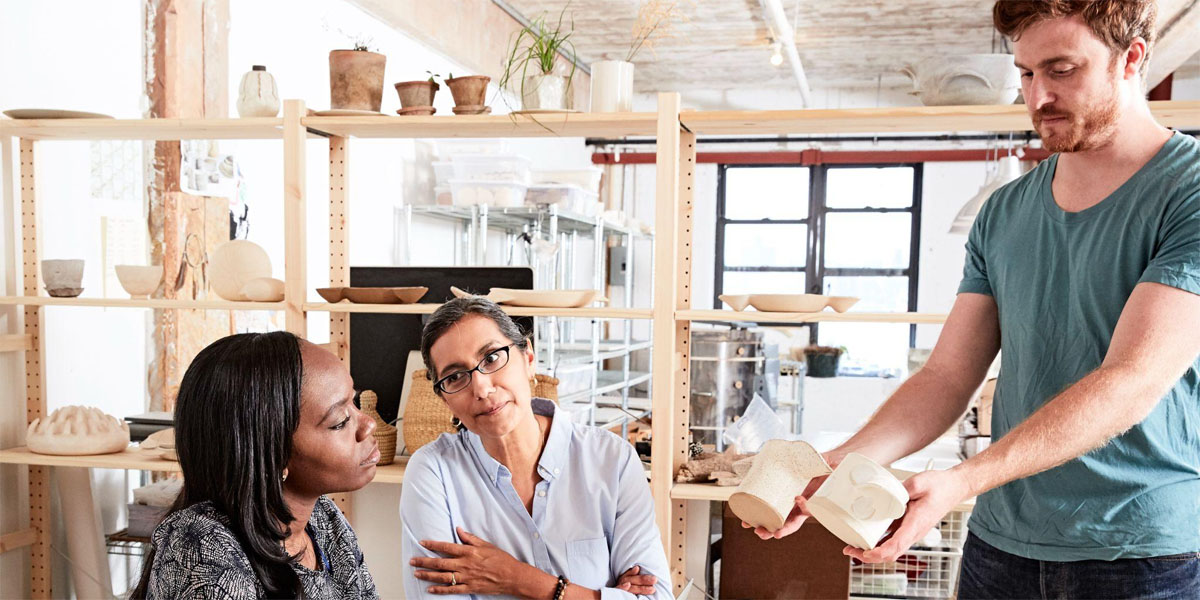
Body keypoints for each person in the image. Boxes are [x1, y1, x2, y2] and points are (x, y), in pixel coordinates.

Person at [747, 1, 1200, 598]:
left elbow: (1132, 378)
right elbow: (947, 375)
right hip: (1000, 548)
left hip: (1140, 554)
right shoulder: (1005, 212)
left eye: (1061, 70)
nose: (1037, 98)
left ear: (1132, 59)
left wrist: (963, 480)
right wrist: (840, 462)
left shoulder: (1186, 191)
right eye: (1026, 73)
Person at [401, 297, 672, 599]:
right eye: (455, 377)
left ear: (528, 358)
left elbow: (656, 596)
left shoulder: (612, 460)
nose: (481, 388)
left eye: (491, 358)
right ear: (444, 399)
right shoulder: (433, 472)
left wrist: (515, 578)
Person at [132, 332, 380, 599]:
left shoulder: (323, 519)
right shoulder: (199, 548)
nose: (368, 424)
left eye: (353, 403)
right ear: (273, 455)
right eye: (340, 421)